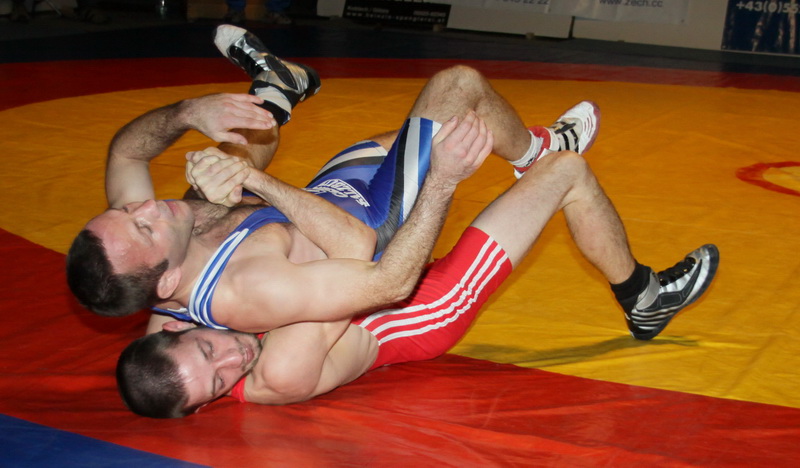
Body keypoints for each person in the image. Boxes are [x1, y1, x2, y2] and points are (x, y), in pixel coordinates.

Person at [116, 115, 720, 417]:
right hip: (417, 302)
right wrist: (438, 182)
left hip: (367, 265)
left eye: (208, 350)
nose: (232, 359)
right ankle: (643, 296)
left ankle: (526, 142)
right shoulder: (280, 372)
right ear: (212, 401)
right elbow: (368, 267)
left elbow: (131, 177)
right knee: (566, 174)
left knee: (427, 126)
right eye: (219, 382)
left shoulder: (170, 309)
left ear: (174, 327)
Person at [67, 25, 597, 335]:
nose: (147, 207)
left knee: (211, 179)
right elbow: (381, 276)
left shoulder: (146, 263)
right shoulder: (246, 290)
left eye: (128, 210)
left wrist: (188, 112)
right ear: (165, 282)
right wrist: (249, 178)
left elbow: (126, 151)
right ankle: (539, 153)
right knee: (457, 87)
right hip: (373, 222)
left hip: (324, 198)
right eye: (144, 227)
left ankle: (277, 88)